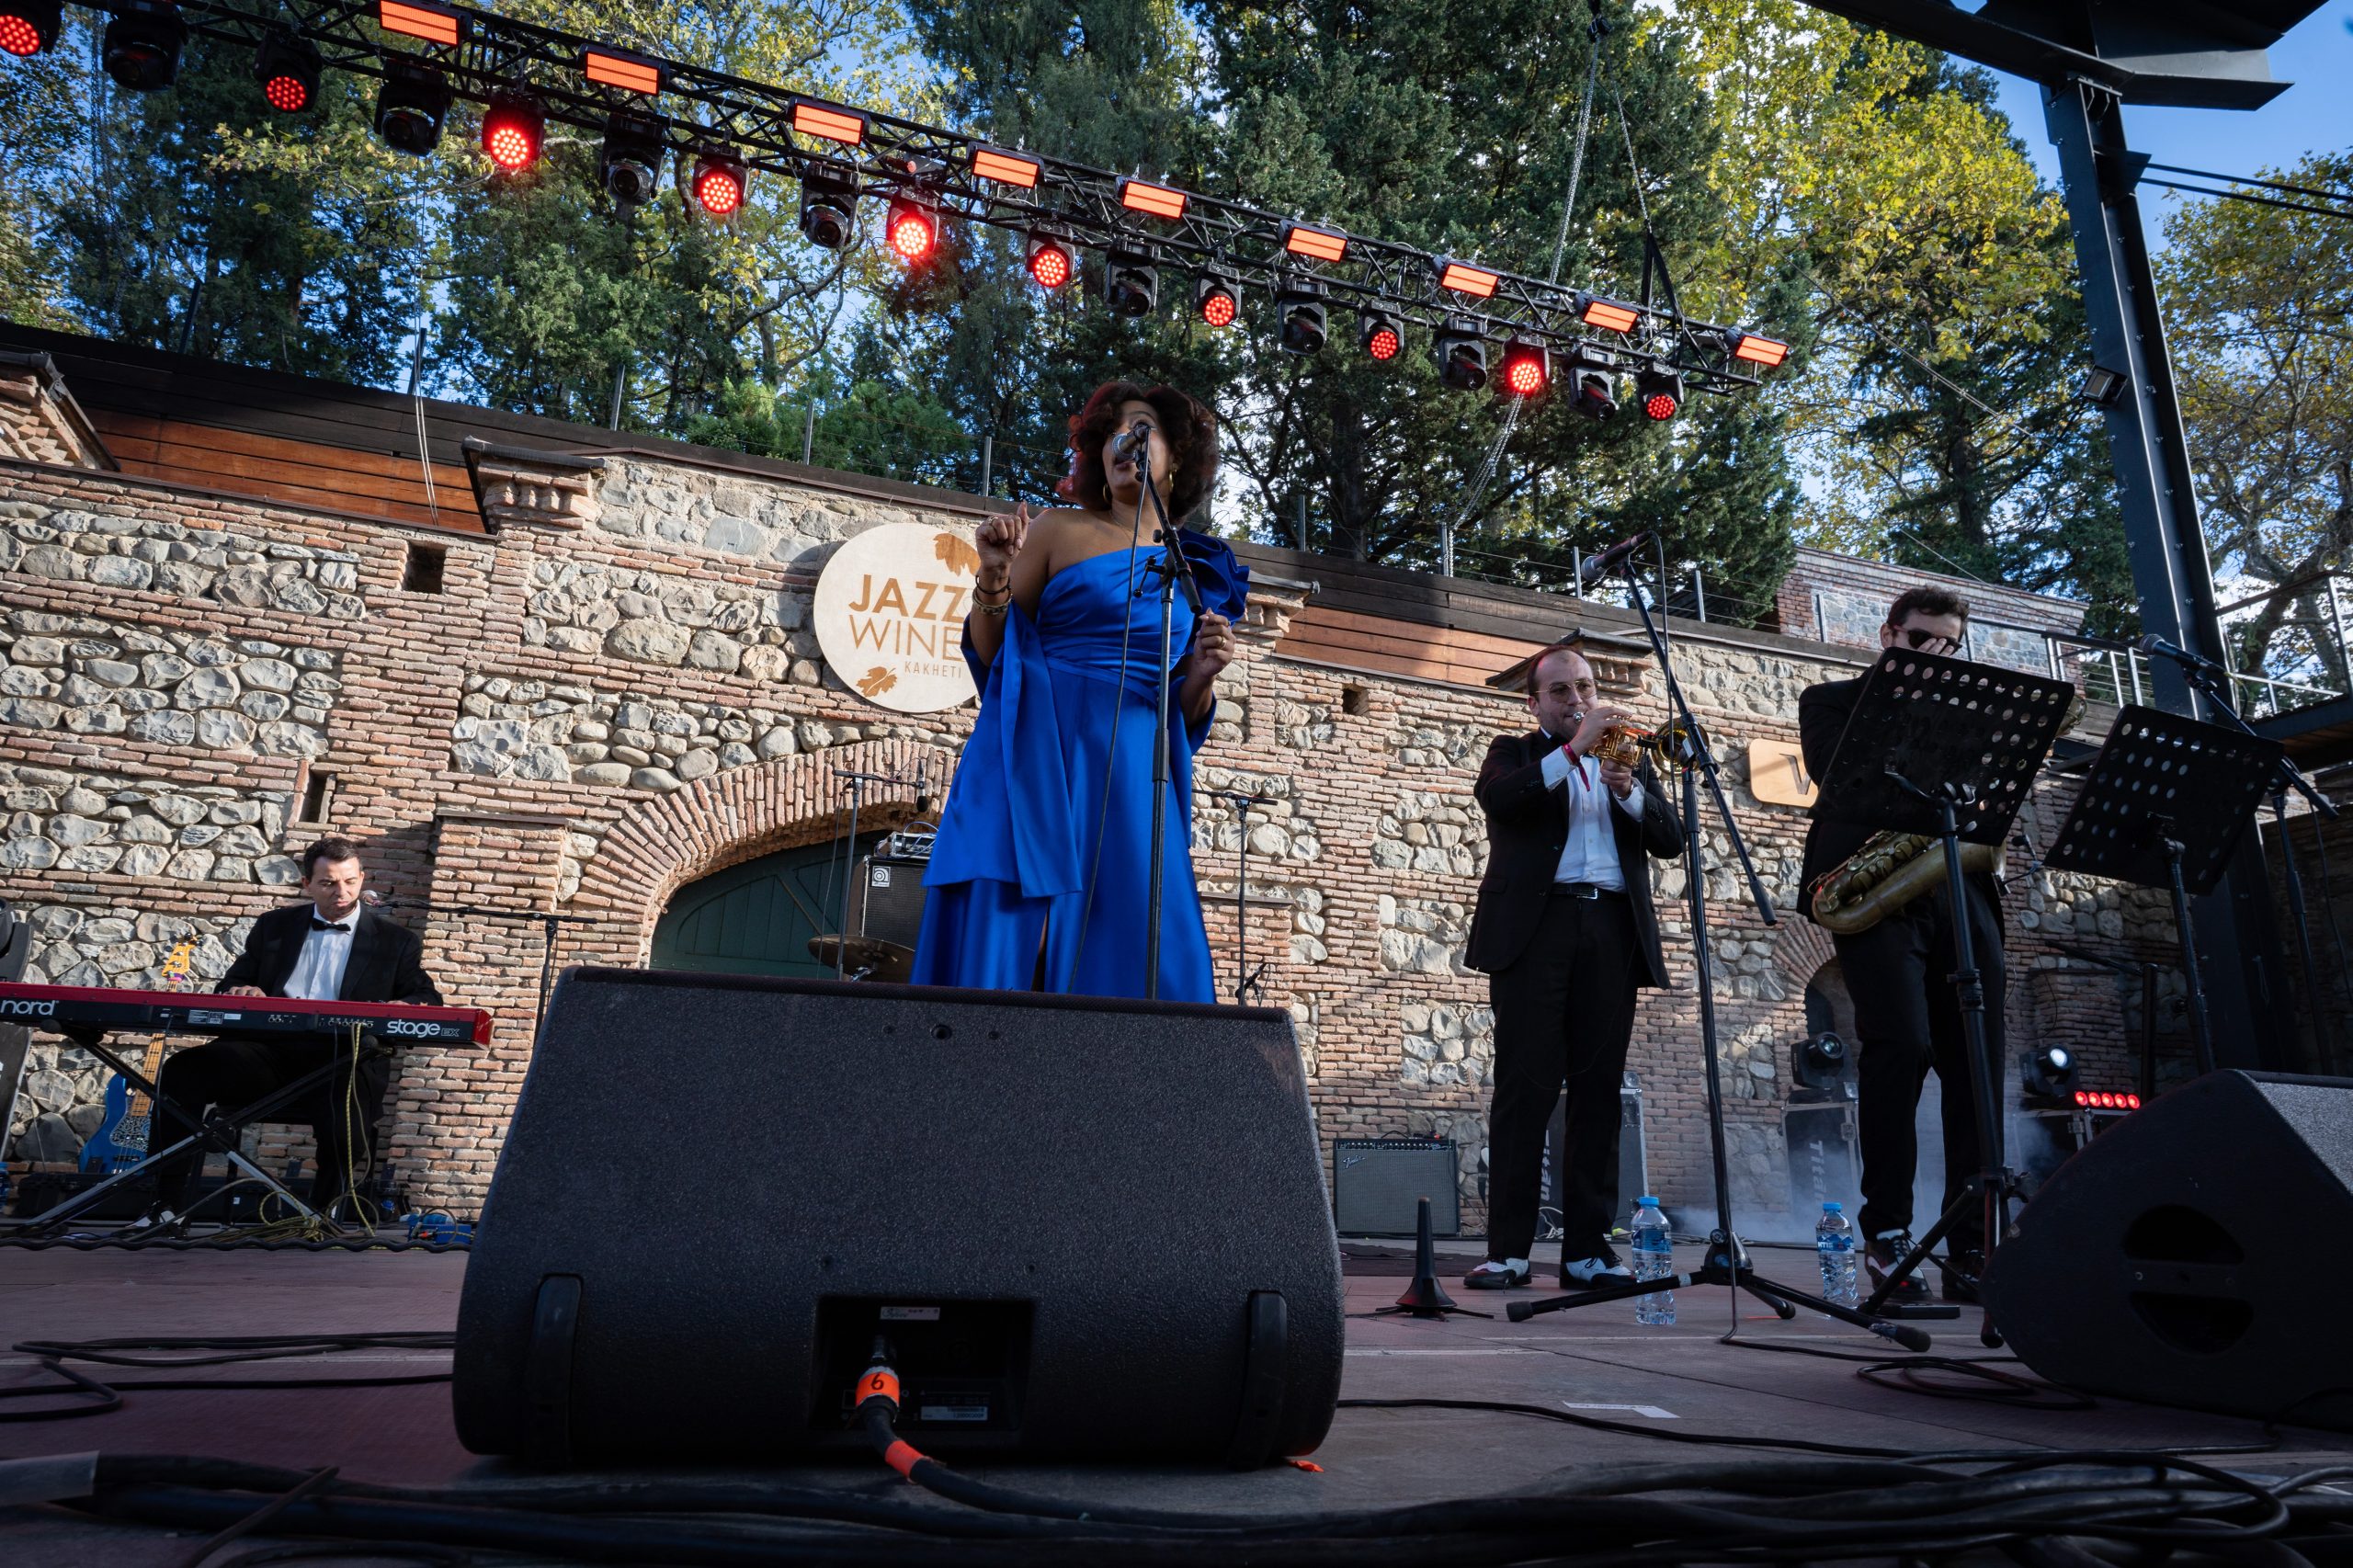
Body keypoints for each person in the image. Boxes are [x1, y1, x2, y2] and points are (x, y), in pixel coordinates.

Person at [912, 381, 1247, 1001]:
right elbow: (994, 652)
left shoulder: (1194, 569)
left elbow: (1182, 712)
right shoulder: (1058, 529)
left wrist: (1201, 675)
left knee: (1132, 931)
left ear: (1177, 456)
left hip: (1133, 767)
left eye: (1142, 428)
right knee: (1020, 924)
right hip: (1039, 744)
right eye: (1113, 432)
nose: (1125, 441)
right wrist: (993, 574)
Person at [1797, 585, 2003, 1303]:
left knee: (1976, 1065)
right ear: (1889, 636)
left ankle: (1973, 1242)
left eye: (1949, 646)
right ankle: (1887, 1232)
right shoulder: (1831, 701)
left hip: (1958, 886)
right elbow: (1839, 778)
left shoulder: (1970, 716)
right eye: (1922, 640)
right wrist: (1907, 708)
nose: (1936, 654)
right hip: (1877, 890)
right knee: (1901, 1048)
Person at [1462, 643, 1685, 1290]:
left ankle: (1588, 1252)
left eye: (1584, 687)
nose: (1577, 699)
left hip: (1611, 929)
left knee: (1599, 1093)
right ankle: (1508, 1252)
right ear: (1535, 703)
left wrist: (1630, 791)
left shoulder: (1628, 760)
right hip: (1537, 932)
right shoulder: (1514, 753)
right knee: (1525, 1089)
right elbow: (1501, 802)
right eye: (1560, 690)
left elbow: (1671, 840)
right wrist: (1573, 751)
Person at [141, 836, 442, 1230]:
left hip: (344, 1058)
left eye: (350, 881)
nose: (341, 891)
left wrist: (405, 1005)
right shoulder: (274, 927)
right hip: (267, 1053)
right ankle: (164, 1206)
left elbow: (427, 998)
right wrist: (242, 990)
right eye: (328, 883)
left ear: (362, 878)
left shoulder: (395, 942)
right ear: (306, 884)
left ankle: (320, 1217)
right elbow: (231, 984)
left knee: (349, 1103)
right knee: (183, 1069)